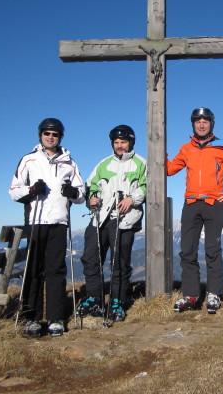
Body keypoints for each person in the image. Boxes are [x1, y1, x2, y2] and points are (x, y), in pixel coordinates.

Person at [167, 107, 223, 314]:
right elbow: (169, 170)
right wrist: (161, 153)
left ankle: (214, 293)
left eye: (205, 121)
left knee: (212, 250)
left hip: (215, 204)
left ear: (211, 124)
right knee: (187, 251)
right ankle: (191, 295)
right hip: (191, 204)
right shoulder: (186, 149)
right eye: (198, 121)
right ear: (193, 124)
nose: (201, 124)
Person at [9, 118, 85, 337]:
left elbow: (81, 193)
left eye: (55, 134)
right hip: (35, 222)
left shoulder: (69, 163)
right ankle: (31, 318)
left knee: (56, 271)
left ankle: (55, 318)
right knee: (33, 271)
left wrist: (73, 193)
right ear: (40, 136)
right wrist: (32, 190)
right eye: (47, 134)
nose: (50, 137)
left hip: (59, 223)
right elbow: (14, 190)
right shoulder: (29, 160)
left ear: (60, 137)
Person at [77, 125, 147, 322]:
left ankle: (117, 300)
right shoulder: (103, 163)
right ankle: (94, 297)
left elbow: (148, 185)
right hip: (99, 218)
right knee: (91, 259)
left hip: (125, 220)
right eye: (116, 142)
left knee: (119, 263)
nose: (119, 146)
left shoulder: (141, 163)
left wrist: (132, 199)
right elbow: (91, 185)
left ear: (131, 142)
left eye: (123, 142)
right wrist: (91, 199)